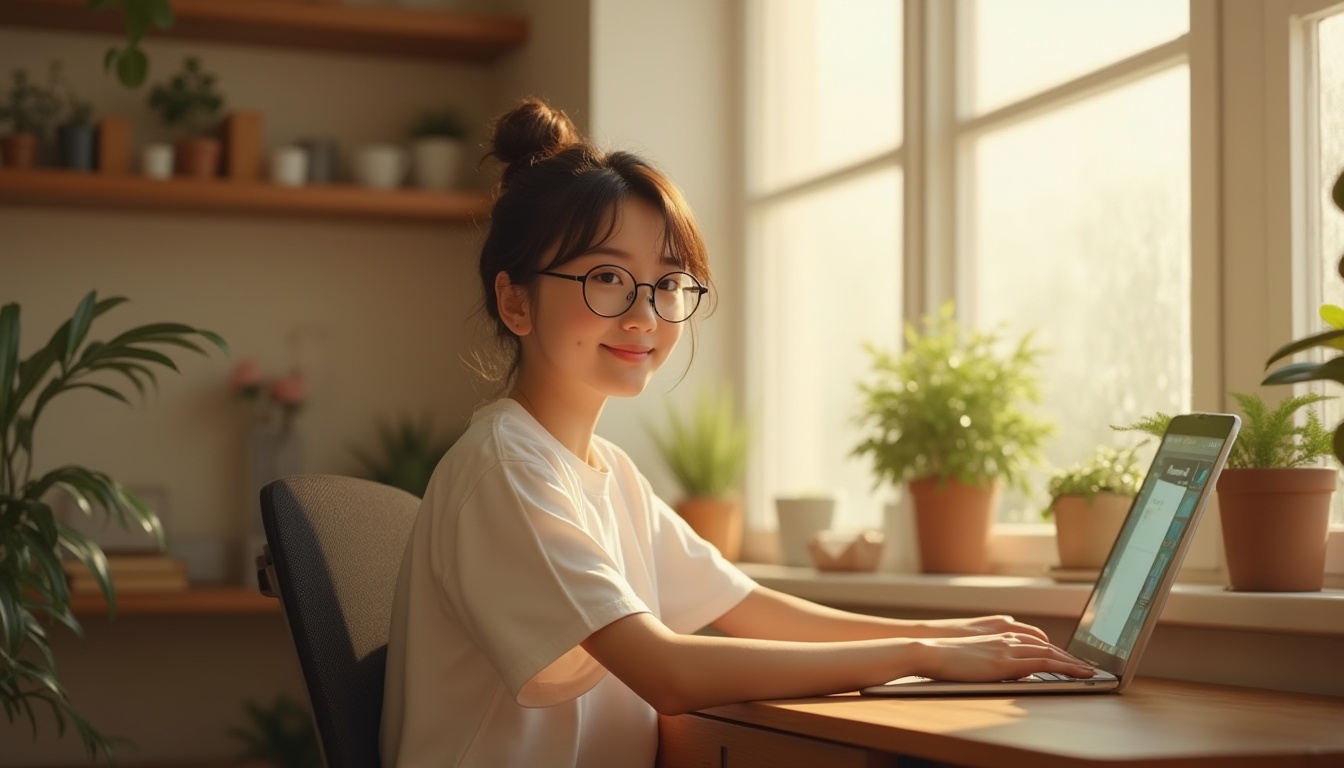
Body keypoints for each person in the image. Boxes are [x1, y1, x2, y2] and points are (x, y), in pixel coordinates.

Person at [379, 98, 1095, 768]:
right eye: (605, 278)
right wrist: (921, 653)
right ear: (515, 301)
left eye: (666, 284)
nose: (645, 316)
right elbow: (668, 670)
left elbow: (750, 609)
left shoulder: (606, 473)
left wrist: (949, 634)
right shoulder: (506, 468)